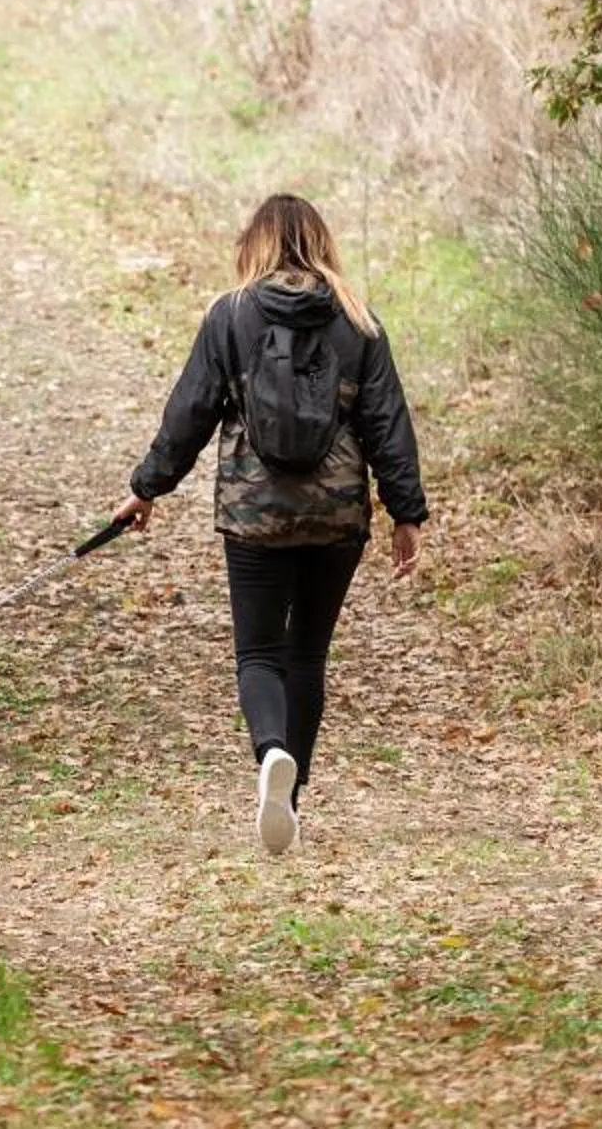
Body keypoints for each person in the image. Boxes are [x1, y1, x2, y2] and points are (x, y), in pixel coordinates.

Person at [108, 193, 427, 855]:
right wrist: (406, 512)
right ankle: (291, 797)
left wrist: (147, 488)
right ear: (321, 242)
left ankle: (271, 754)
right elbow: (387, 422)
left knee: (258, 653)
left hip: (254, 512)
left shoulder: (231, 315)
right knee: (307, 654)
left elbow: (191, 411)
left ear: (255, 244)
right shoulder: (359, 320)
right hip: (336, 513)